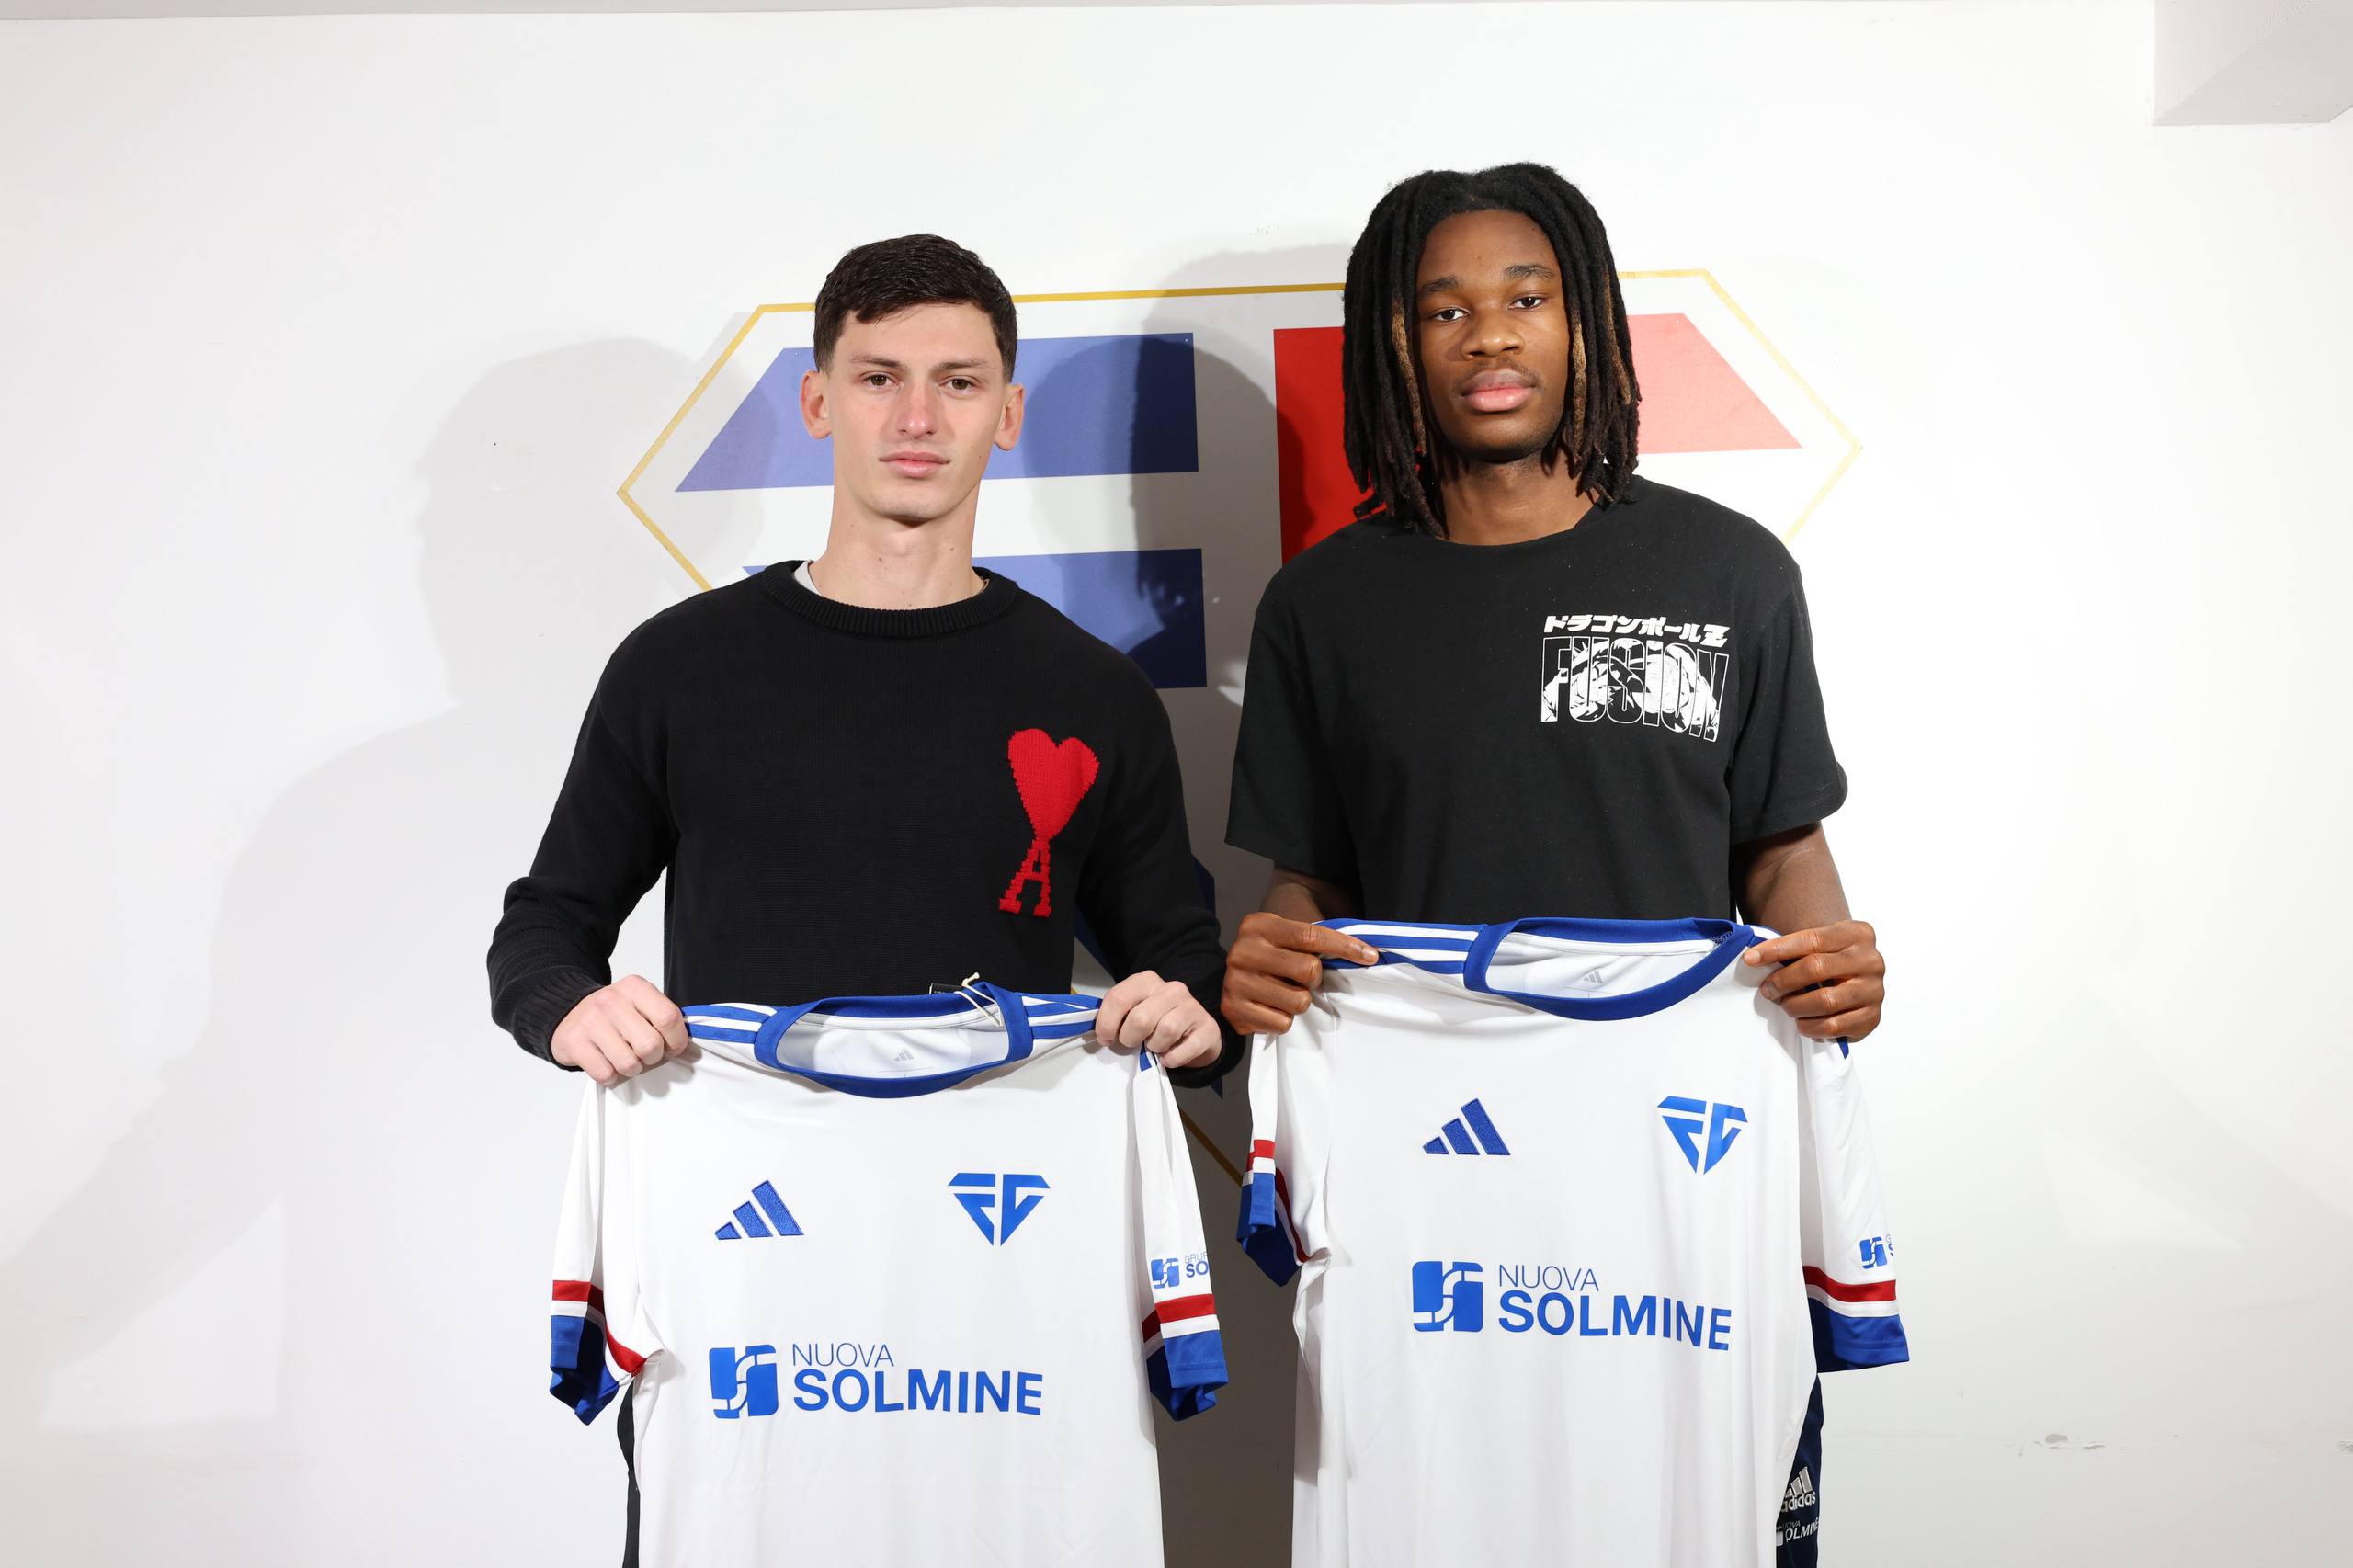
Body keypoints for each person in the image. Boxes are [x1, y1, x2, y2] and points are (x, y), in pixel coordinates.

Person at [488, 233, 1230, 1558]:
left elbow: (1183, 960)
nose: (917, 418)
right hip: (744, 1265)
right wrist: (569, 1007)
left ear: (1009, 413)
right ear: (817, 400)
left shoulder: (1094, 696)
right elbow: (545, 927)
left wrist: (1191, 1015)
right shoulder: (681, 669)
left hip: (999, 1277)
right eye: (880, 377)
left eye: (958, 382)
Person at [1219, 163, 1886, 1565]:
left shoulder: (1729, 574)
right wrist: (1275, 951)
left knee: (1687, 1506)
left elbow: (1779, 846)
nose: (1491, 334)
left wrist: (1833, 964)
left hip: (1676, 1177)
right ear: (1393, 343)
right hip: (1439, 1192)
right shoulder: (1323, 605)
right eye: (1444, 307)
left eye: (1526, 297)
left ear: (1585, 319)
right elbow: (1311, 883)